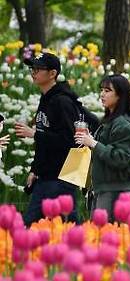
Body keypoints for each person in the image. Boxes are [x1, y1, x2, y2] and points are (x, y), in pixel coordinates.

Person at [16, 52, 82, 226]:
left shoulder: (63, 102)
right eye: (32, 68)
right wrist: (34, 169)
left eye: (38, 69)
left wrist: (34, 134)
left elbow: (69, 140)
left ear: (52, 74)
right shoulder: (45, 99)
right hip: (44, 177)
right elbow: (43, 142)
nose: (33, 72)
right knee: (30, 225)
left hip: (62, 177)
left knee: (65, 227)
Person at [74, 74, 130, 220]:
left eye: (107, 90)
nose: (102, 94)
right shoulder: (109, 121)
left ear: (120, 96)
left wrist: (93, 143)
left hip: (115, 191)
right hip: (103, 188)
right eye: (102, 90)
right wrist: (90, 140)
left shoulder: (123, 124)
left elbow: (120, 158)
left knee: (108, 237)